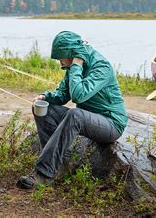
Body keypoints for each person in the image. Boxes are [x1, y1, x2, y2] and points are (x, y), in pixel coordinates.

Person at [17, 31, 128, 189]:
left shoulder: (101, 66)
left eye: (61, 57)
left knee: (75, 114)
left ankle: (43, 175)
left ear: (70, 53)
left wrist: (76, 65)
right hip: (88, 118)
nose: (60, 62)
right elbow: (63, 95)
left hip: (110, 123)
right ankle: (58, 167)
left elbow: (78, 96)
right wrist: (44, 97)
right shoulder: (74, 66)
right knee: (44, 109)